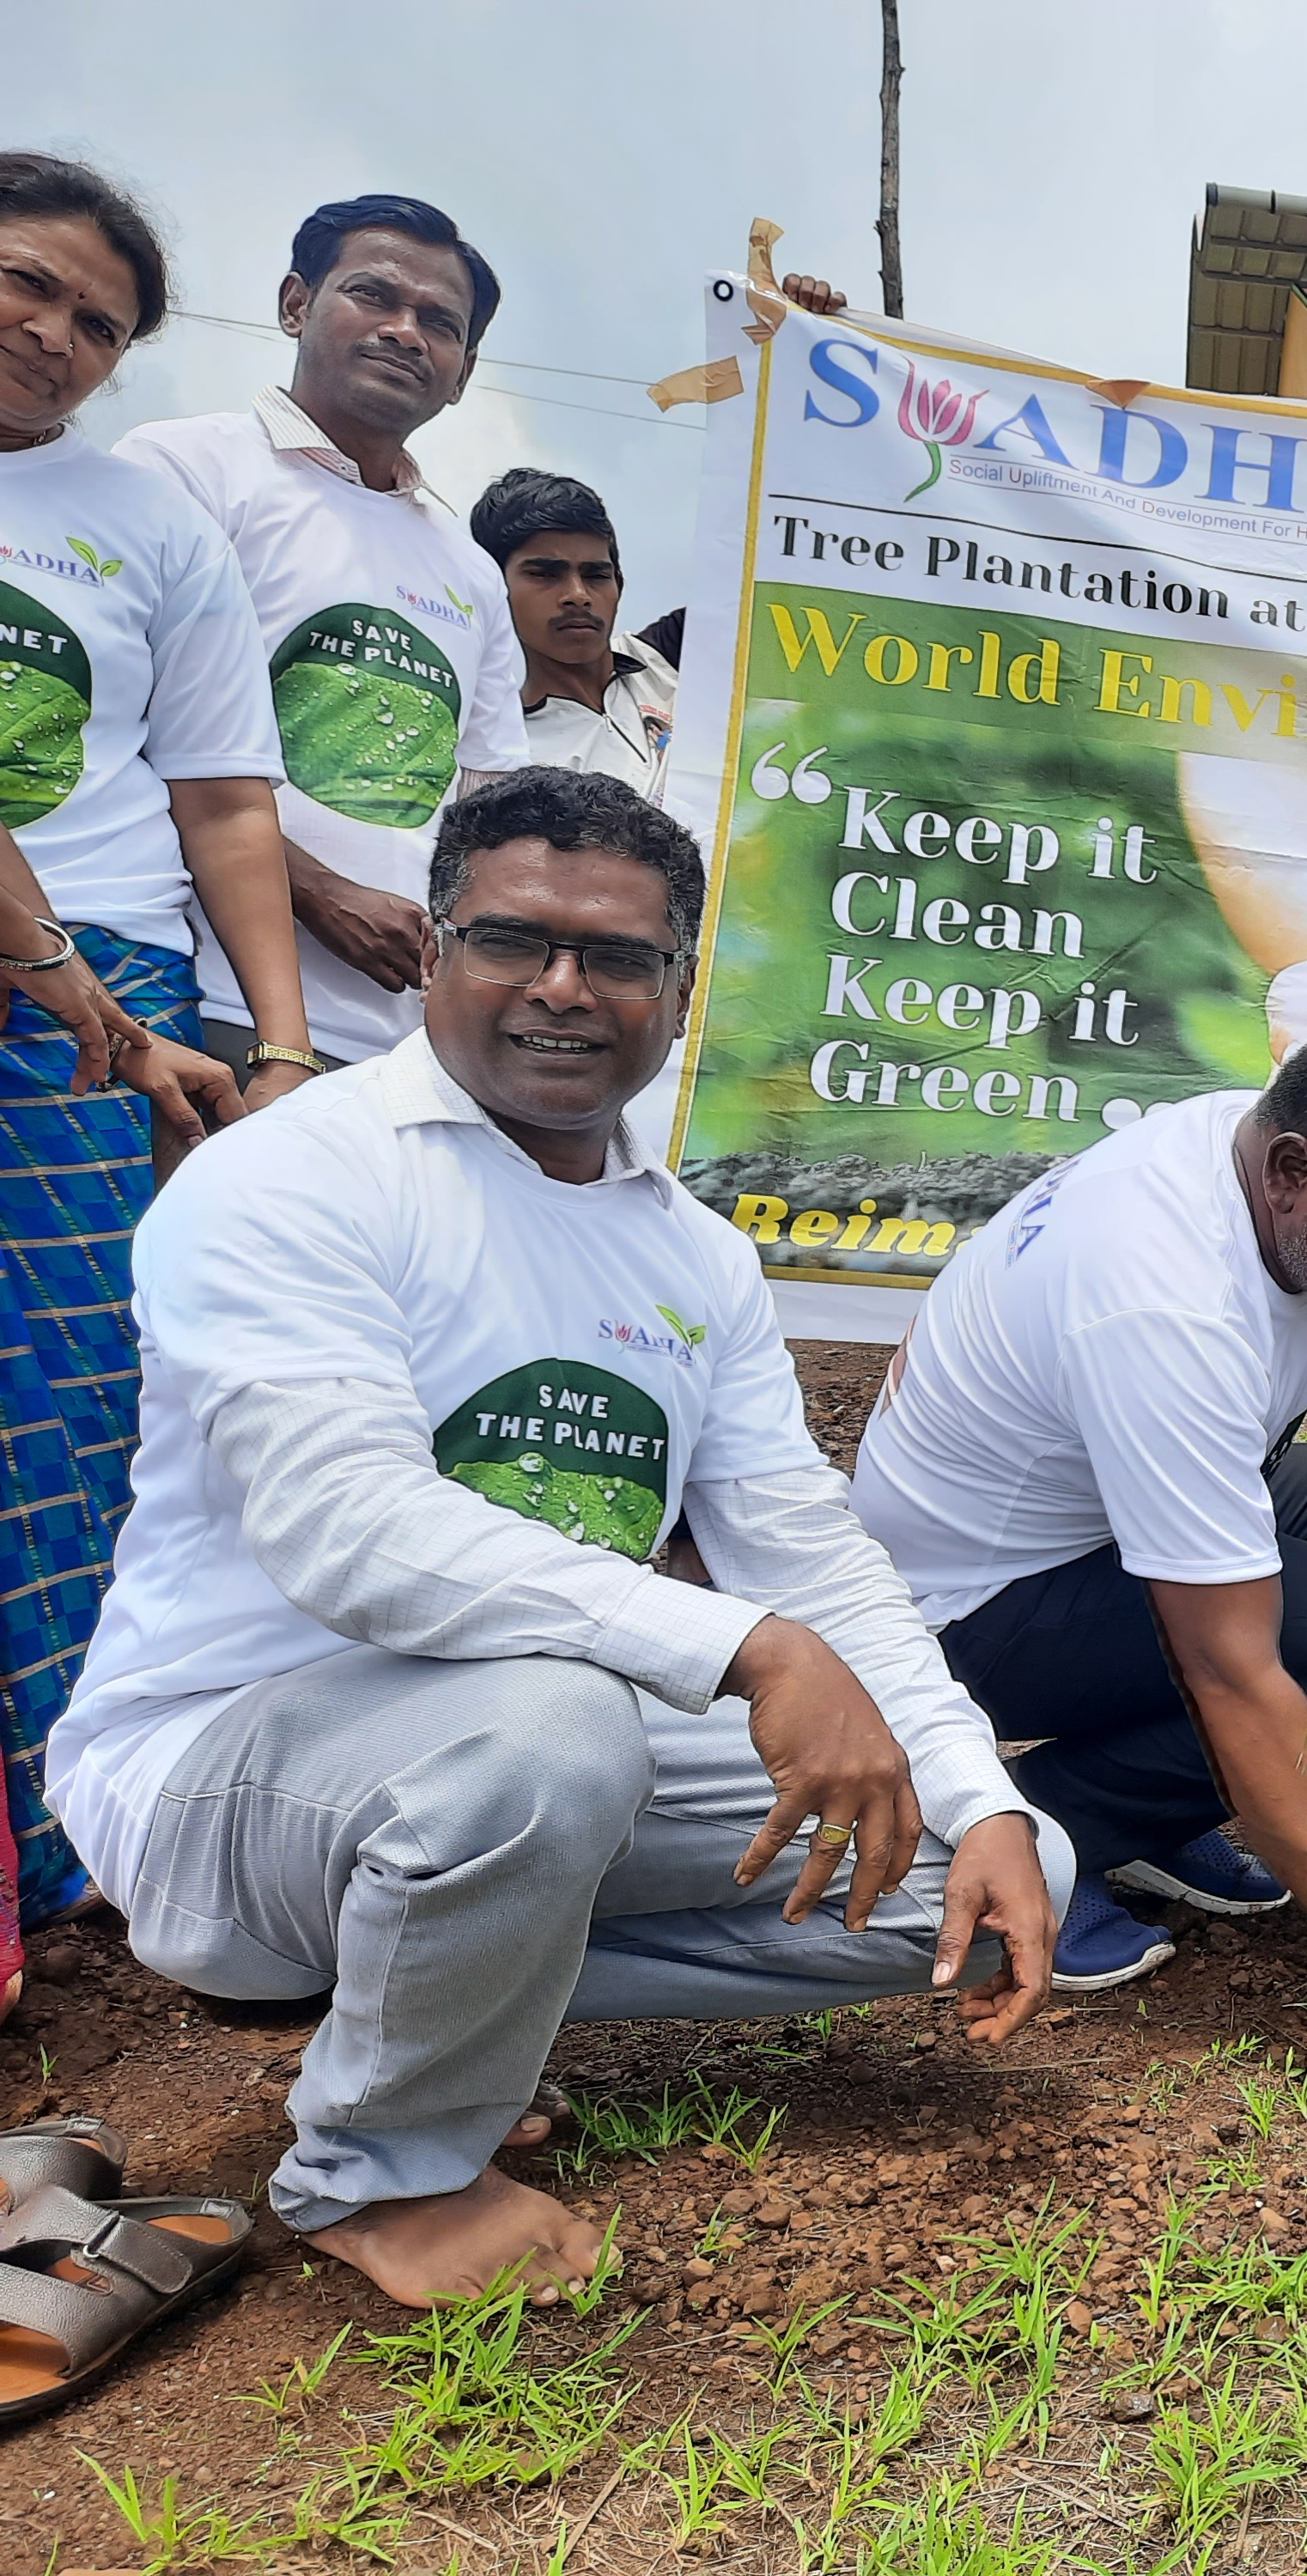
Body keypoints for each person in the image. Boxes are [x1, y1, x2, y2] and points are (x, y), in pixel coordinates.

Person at [50, 766, 1063, 2306]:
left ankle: (428, 2003)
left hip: (506, 1769)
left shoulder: (694, 1256)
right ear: (436, 948)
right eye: (515, 941)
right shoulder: (295, 1176)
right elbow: (351, 1532)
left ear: (681, 984)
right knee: (558, 1729)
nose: (567, 991)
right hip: (223, 1779)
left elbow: (809, 1549)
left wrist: (975, 1786)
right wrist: (746, 1643)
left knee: (977, 1873)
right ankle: (382, 2168)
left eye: (623, 958)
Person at [848, 1019, 1307, 2142]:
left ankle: (1153, 1804)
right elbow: (1229, 1669)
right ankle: (1046, 1836)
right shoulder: (1162, 1295)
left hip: (1088, 1532)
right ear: (1292, 1173)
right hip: (967, 1608)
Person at [0, 155, 315, 1947]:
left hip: (95, 1000)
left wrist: (270, 1047)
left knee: (77, 1405)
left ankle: (76, 1823)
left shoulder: (141, 521)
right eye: (26, 285)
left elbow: (222, 802)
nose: (52, 336)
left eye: (96, 322)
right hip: (66, 987)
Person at [117, 192, 527, 1079]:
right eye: (374, 296)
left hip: (406, 1046)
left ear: (462, 372)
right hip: (198, 1000)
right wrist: (318, 893)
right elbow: (126, 729)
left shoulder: (467, 566)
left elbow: (486, 814)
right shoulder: (185, 468)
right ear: (296, 304)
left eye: (438, 321)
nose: (404, 330)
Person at [469, 469, 675, 800]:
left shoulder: (674, 657)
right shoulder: (507, 757)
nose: (578, 594)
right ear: (494, 591)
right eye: (545, 574)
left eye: (596, 575)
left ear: (619, 585)